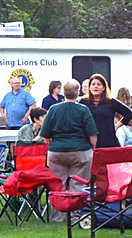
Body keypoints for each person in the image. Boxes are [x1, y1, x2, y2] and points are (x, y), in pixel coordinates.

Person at [40, 79, 98, 222]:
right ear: (78, 92)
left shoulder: (53, 109)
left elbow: (45, 135)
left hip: (57, 151)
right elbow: (92, 135)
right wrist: (93, 149)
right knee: (78, 184)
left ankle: (58, 216)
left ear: (63, 92)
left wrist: (52, 147)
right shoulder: (83, 110)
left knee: (58, 184)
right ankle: (75, 216)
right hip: (80, 151)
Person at [81, 74, 132, 148]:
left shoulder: (111, 102)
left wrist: (116, 126)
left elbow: (129, 114)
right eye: (93, 84)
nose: (95, 86)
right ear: (89, 88)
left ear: (103, 88)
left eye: (99, 84)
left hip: (109, 141)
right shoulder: (83, 102)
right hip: (89, 143)